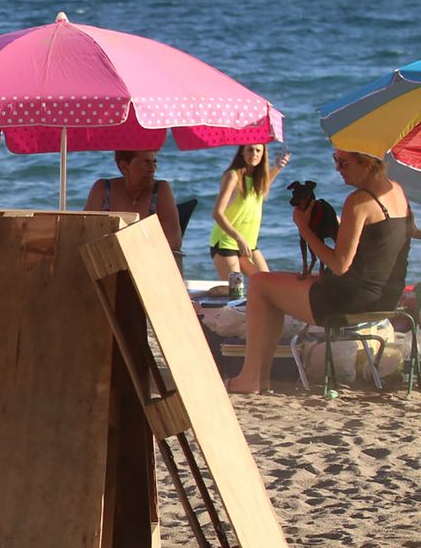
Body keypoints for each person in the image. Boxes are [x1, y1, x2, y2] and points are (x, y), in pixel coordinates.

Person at [226, 150, 412, 394]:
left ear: (367, 164)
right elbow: (392, 238)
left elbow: (339, 264)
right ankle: (260, 379)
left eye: (344, 163)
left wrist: (304, 228)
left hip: (350, 301)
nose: (338, 169)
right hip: (385, 296)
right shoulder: (396, 190)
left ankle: (251, 378)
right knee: (270, 281)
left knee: (260, 283)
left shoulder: (358, 201)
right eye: (336, 161)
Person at [209, 144, 290, 279]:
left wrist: (277, 168)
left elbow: (261, 188)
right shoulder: (233, 176)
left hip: (249, 244)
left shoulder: (257, 179)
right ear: (242, 152)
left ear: (263, 153)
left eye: (258, 150)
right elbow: (217, 213)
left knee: (267, 284)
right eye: (250, 150)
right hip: (226, 242)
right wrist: (238, 238)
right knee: (234, 294)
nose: (254, 154)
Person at [83, 150, 182, 253]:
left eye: (154, 162)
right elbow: (85, 233)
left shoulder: (160, 189)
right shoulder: (103, 189)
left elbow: (174, 241)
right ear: (124, 167)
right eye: (146, 162)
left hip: (149, 261)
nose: (153, 168)